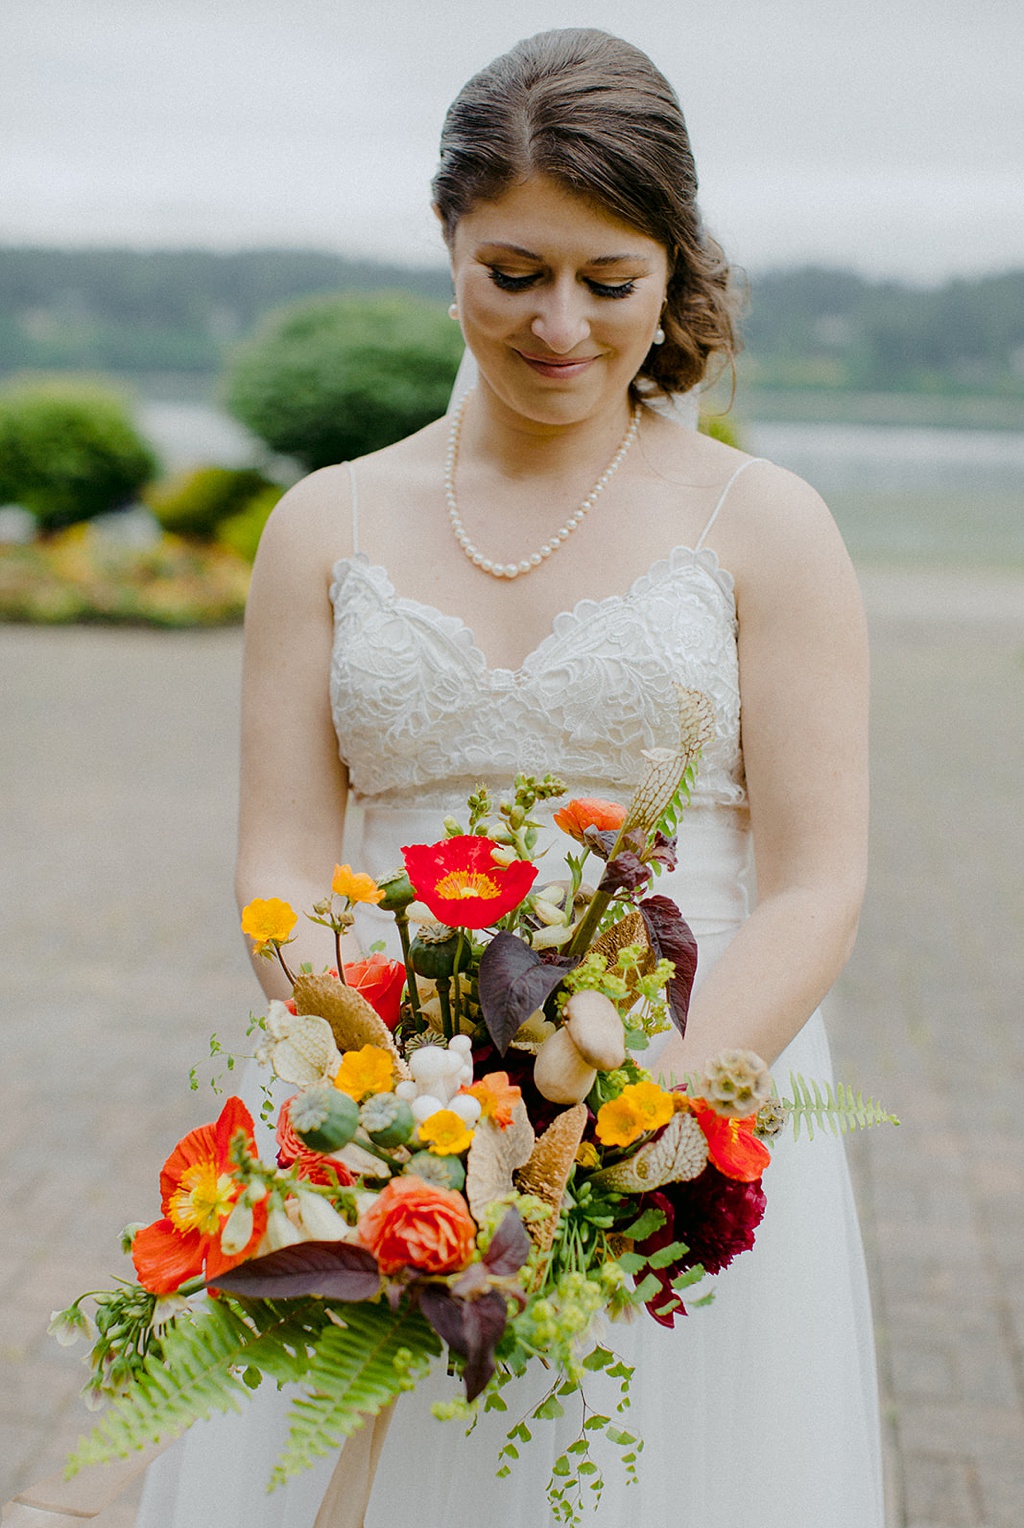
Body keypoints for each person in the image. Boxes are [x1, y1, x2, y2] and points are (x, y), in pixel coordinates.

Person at [137, 27, 882, 1528]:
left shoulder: (768, 521)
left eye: (609, 282)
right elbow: (281, 859)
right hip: (392, 1112)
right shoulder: (323, 524)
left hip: (688, 1106)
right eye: (513, 272)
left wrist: (650, 1118)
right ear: (448, 240)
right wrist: (383, 1088)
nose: (560, 326)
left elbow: (817, 877)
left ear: (674, 267)